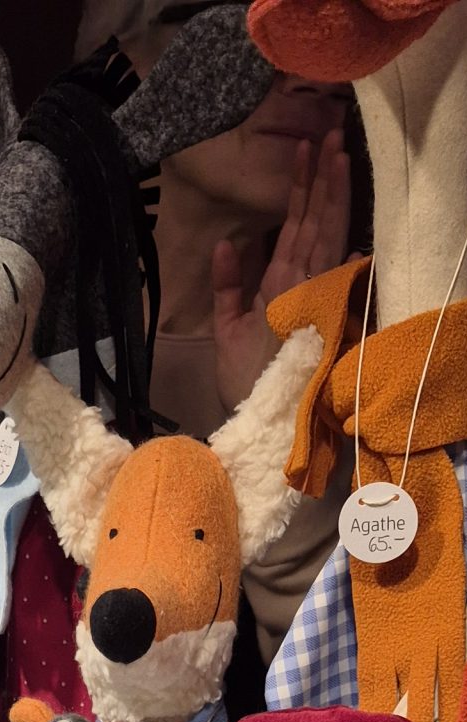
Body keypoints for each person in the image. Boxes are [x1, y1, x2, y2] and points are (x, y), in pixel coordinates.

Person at [78, 0, 354, 667]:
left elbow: (343, 692)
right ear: (118, 56)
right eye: (249, 24)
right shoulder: (10, 327)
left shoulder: (356, 362)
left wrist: (278, 421)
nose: (313, 77)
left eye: (324, 41)